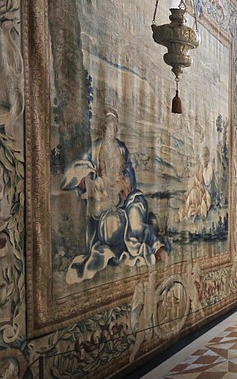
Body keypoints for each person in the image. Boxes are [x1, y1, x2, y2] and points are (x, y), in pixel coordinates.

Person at [61, 110, 169, 283]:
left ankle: (156, 247)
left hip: (128, 198)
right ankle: (118, 253)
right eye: (108, 125)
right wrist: (86, 179)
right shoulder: (96, 148)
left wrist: (125, 181)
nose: (111, 129)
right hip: (107, 202)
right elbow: (83, 169)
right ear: (103, 127)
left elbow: (130, 173)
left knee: (135, 223)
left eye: (114, 125)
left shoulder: (121, 148)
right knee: (111, 228)